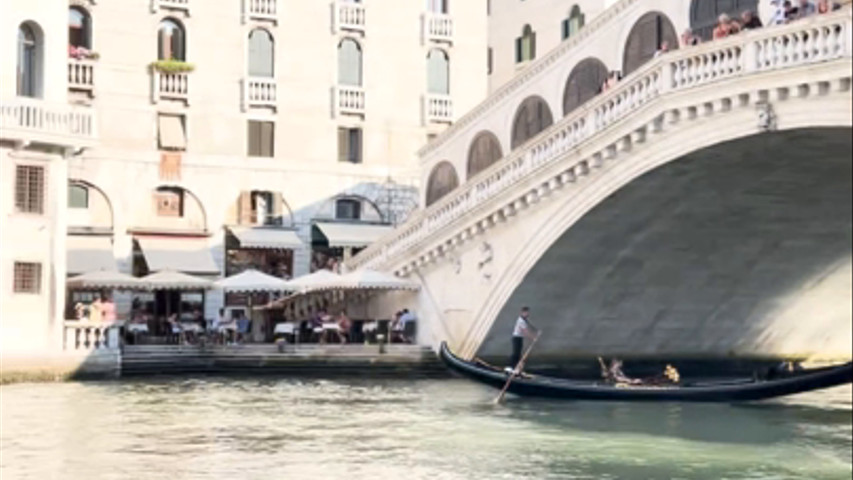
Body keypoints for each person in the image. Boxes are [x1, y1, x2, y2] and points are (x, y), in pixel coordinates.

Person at [508, 306, 538, 373]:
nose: (527, 314)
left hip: (520, 338)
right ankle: (511, 367)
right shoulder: (520, 321)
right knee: (516, 353)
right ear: (522, 312)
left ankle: (517, 368)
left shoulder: (525, 320)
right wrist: (533, 338)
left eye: (528, 313)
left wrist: (536, 331)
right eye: (526, 313)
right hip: (516, 338)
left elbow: (530, 326)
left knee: (519, 354)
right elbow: (525, 331)